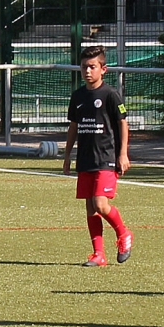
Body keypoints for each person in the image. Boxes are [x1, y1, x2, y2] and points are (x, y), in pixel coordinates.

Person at [62, 45, 133, 267]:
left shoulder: (110, 95)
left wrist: (123, 154)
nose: (87, 71)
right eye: (84, 66)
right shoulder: (78, 96)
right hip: (86, 158)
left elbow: (122, 123)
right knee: (91, 208)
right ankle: (98, 254)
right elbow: (74, 126)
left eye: (92, 66)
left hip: (106, 157)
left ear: (103, 69)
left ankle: (123, 233)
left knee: (101, 204)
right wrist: (67, 155)